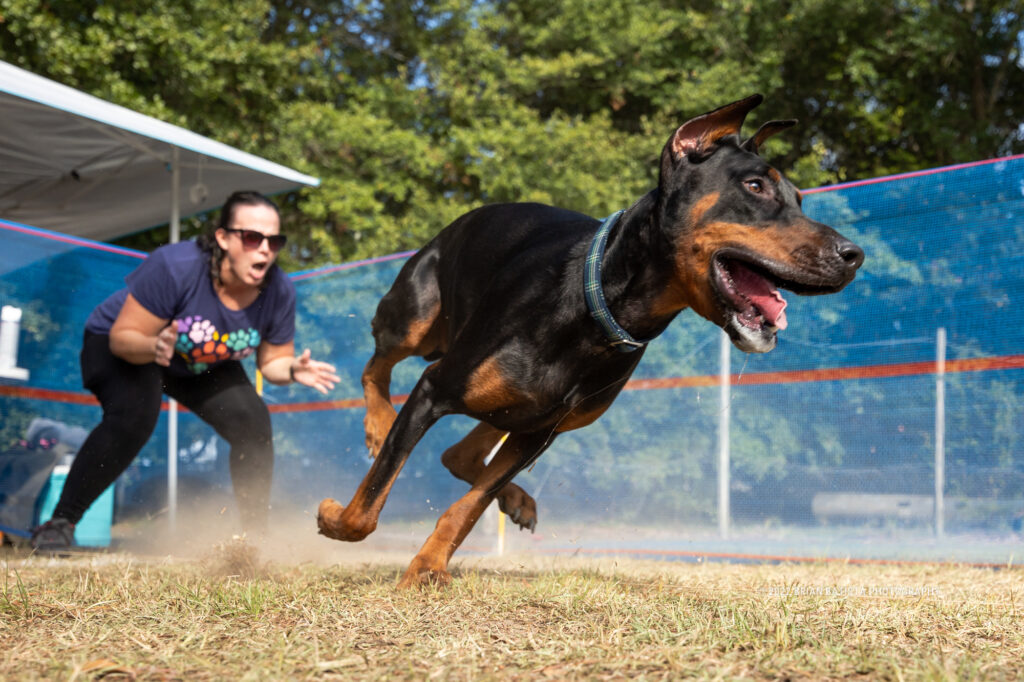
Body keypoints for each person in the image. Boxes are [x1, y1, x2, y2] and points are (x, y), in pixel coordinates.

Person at [31, 191, 339, 550]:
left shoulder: (278, 291)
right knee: (134, 416)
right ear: (223, 238)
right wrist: (154, 346)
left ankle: (255, 540)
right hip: (127, 344)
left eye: (275, 240)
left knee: (253, 422)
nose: (265, 249)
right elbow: (123, 338)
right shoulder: (176, 267)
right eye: (253, 237)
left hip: (195, 361)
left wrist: (293, 370)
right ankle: (59, 523)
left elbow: (272, 363)